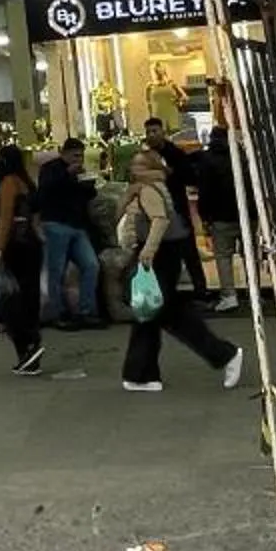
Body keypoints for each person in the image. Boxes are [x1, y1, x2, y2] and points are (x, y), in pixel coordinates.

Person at [118, 146, 243, 395]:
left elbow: (159, 220)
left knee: (150, 312)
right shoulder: (153, 188)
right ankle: (143, 373)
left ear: (153, 169)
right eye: (135, 166)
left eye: (141, 166)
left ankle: (143, 373)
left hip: (157, 254)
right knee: (159, 312)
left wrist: (148, 251)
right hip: (164, 254)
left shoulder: (147, 190)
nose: (135, 170)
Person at [34, 136, 104, 328]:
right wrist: (67, 174)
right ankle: (59, 314)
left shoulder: (79, 172)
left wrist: (87, 183)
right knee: (57, 271)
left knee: (91, 265)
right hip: (56, 224)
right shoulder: (50, 169)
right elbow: (44, 192)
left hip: (78, 226)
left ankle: (86, 310)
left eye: (81, 156)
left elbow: (89, 196)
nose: (78, 160)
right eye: (74, 155)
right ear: (63, 154)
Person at [144, 115, 211, 302]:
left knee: (189, 252)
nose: (151, 135)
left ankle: (200, 290)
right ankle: (165, 291)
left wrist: (170, 173)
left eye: (154, 131)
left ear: (162, 132)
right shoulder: (144, 155)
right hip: (155, 210)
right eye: (148, 132)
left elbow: (189, 176)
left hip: (176, 208)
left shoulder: (174, 153)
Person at [0, 143, 44, 375]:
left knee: (11, 300)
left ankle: (27, 347)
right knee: (29, 295)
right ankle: (32, 346)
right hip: (32, 245)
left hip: (16, 247)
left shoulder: (8, 183)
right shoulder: (27, 183)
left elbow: (5, 218)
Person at [196, 128, 244, 311]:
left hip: (219, 216)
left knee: (223, 256)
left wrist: (205, 216)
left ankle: (229, 295)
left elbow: (205, 190)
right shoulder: (242, 156)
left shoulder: (207, 160)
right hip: (245, 214)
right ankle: (253, 291)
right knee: (250, 255)